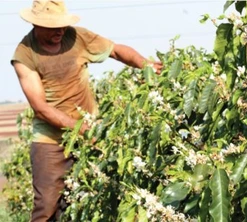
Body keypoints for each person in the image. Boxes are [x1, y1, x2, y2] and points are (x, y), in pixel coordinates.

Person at [11, 0, 163, 221]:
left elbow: (116, 51)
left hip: (89, 137)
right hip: (51, 142)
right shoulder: (24, 55)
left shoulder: (77, 37)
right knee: (46, 207)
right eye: (54, 27)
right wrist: (82, 129)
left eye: (62, 24)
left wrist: (145, 64)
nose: (61, 30)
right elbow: (41, 109)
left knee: (84, 203)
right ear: (37, 25)